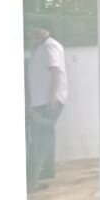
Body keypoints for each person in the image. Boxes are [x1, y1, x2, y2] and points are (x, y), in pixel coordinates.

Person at [26, 21, 68, 190]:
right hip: (40, 102)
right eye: (33, 28)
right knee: (42, 138)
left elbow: (55, 72)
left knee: (40, 140)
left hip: (47, 102)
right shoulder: (39, 47)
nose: (34, 30)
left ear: (47, 30)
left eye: (39, 27)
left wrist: (52, 99)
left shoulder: (50, 46)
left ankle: (32, 182)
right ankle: (39, 176)